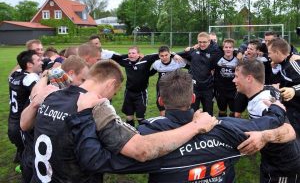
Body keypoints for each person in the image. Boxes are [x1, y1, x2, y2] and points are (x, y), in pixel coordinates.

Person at [31, 60, 217, 183]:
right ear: (111, 84)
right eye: (115, 92)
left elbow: (26, 125)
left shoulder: (52, 96)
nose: (112, 97)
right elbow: (141, 150)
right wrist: (195, 126)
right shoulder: (97, 107)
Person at [136, 69, 290, 182]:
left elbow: (116, 151)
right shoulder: (226, 127)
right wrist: (276, 109)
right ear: (193, 98)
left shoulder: (146, 134)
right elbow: (263, 124)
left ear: (160, 101)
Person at [20, 56, 89, 183]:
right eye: (82, 80)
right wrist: (36, 102)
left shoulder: (64, 93)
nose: (83, 85)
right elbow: (24, 124)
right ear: (71, 74)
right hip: (34, 159)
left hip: (50, 164)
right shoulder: (46, 90)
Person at [233, 59, 300, 182]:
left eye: (236, 76)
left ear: (249, 78)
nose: (234, 80)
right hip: (271, 159)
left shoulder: (263, 103)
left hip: (282, 166)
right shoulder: (266, 89)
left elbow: (289, 132)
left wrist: (263, 137)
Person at [109, 46, 160, 126]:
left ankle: (142, 133)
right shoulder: (126, 61)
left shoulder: (146, 60)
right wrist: (127, 56)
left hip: (141, 93)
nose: (131, 55)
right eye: (129, 53)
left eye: (133, 53)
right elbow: (114, 56)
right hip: (129, 93)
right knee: (129, 117)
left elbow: (160, 54)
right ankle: (131, 133)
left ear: (139, 54)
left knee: (140, 117)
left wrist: (174, 55)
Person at [8, 50, 42, 165]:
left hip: (12, 121)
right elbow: (38, 96)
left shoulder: (15, 74)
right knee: (30, 155)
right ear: (29, 64)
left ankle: (20, 158)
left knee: (22, 149)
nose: (41, 62)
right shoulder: (31, 77)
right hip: (22, 124)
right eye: (38, 60)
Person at [178, 32, 223, 115]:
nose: (202, 44)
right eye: (200, 42)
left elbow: (228, 50)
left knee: (208, 113)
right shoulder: (193, 51)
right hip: (194, 88)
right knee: (193, 113)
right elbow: (177, 54)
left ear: (209, 41)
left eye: (204, 42)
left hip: (208, 88)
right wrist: (175, 55)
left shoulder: (215, 51)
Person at [267, 37, 300, 136]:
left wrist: (294, 90)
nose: (268, 56)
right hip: (291, 109)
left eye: (269, 53)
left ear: (277, 52)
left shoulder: (293, 63)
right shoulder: (281, 64)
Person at [150, 45, 186, 116]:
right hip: (162, 86)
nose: (164, 57)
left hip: (174, 86)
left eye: (166, 55)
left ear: (170, 54)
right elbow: (150, 73)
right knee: (160, 103)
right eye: (162, 56)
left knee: (175, 104)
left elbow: (191, 66)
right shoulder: (157, 63)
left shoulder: (177, 61)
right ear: (159, 56)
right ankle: (164, 120)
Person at [214, 38, 238, 117]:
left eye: (230, 47)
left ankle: (233, 126)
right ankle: (222, 126)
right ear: (223, 48)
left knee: (233, 110)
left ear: (233, 49)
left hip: (233, 90)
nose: (228, 49)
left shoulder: (238, 60)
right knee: (222, 110)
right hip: (221, 90)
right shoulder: (218, 60)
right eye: (226, 47)